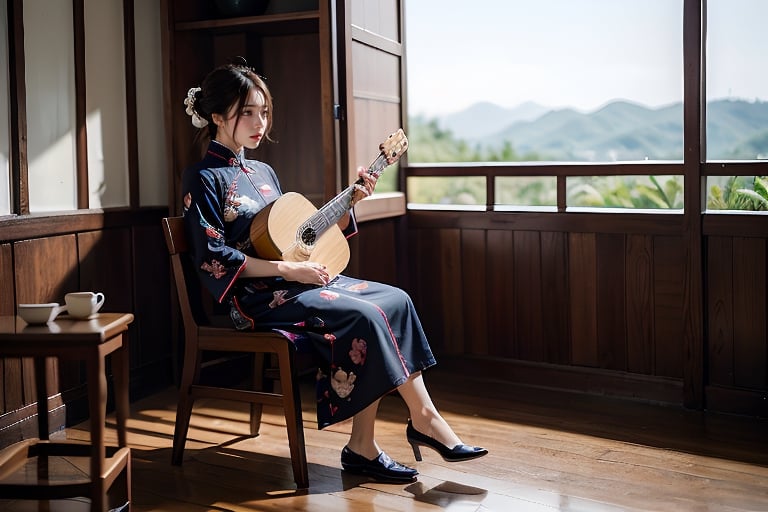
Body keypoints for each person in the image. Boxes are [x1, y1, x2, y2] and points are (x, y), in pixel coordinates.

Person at [180, 61, 487, 483]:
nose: (259, 122)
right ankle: (420, 421)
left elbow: (300, 238)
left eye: (264, 112)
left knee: (395, 299)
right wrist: (288, 269)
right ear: (216, 116)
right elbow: (211, 257)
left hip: (297, 282)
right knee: (363, 316)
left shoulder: (265, 173)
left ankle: (373, 442)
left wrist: (350, 204)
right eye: (247, 112)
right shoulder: (202, 177)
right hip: (254, 299)